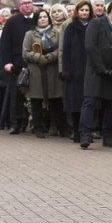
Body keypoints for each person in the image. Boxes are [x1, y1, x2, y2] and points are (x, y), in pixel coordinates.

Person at [78, 0, 112, 148]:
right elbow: (90, 46)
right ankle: (85, 134)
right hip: (96, 72)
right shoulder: (96, 24)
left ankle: (108, 136)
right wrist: (101, 68)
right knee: (90, 103)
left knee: (111, 106)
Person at [22, 8, 66, 138]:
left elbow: (60, 49)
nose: (43, 19)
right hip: (36, 72)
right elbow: (25, 52)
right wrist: (38, 58)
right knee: (36, 102)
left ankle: (62, 128)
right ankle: (38, 128)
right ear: (36, 20)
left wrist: (49, 58)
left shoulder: (56, 33)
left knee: (56, 101)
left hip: (52, 71)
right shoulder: (29, 34)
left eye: (45, 17)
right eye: (40, 17)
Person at [0, 0, 36, 134]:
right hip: (16, 63)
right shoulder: (12, 21)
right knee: (16, 95)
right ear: (19, 6)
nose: (27, 5)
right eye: (24, 3)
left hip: (35, 62)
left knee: (34, 95)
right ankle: (15, 123)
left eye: (29, 2)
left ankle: (34, 123)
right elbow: (5, 43)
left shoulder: (38, 19)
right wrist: (7, 62)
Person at [61, 0, 93, 143]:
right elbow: (65, 50)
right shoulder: (71, 27)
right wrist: (65, 70)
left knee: (89, 102)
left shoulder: (94, 26)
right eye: (82, 10)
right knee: (75, 104)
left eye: (87, 10)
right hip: (74, 70)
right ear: (77, 12)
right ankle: (76, 131)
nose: (84, 13)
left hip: (91, 69)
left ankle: (87, 131)